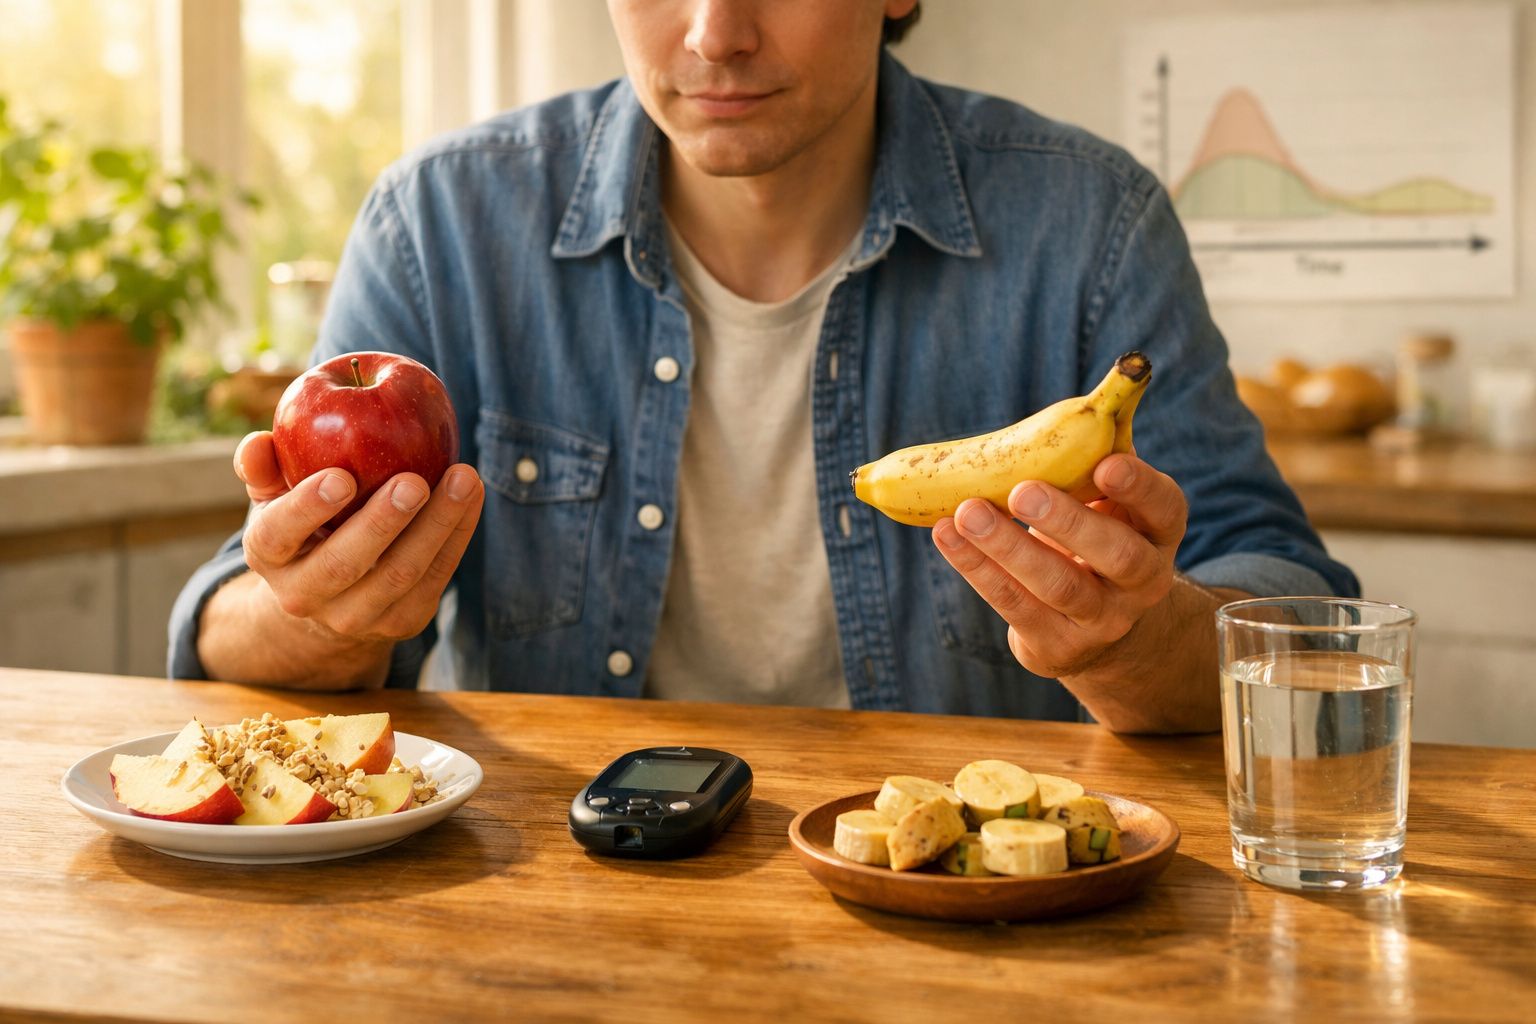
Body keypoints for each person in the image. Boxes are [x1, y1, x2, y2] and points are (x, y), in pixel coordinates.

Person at [170, 0, 1357, 733]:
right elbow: (230, 627)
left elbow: (1298, 622)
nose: (713, 32)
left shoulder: (1089, 227)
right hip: (552, 906)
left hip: (967, 917)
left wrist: (1134, 641)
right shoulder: (438, 227)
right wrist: (315, 616)